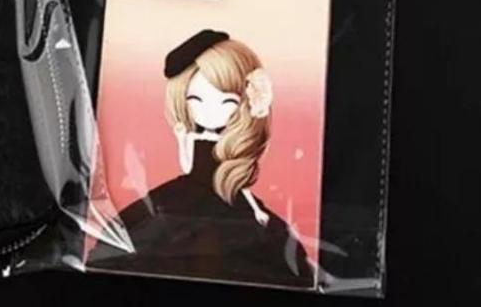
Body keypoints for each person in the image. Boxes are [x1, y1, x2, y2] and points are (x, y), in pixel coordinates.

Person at [91, 29, 315, 288]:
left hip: (225, 196)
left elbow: (236, 183)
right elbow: (188, 165)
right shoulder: (187, 135)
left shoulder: (236, 155)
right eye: (196, 99)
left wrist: (254, 209)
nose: (209, 110)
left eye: (227, 101)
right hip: (185, 194)